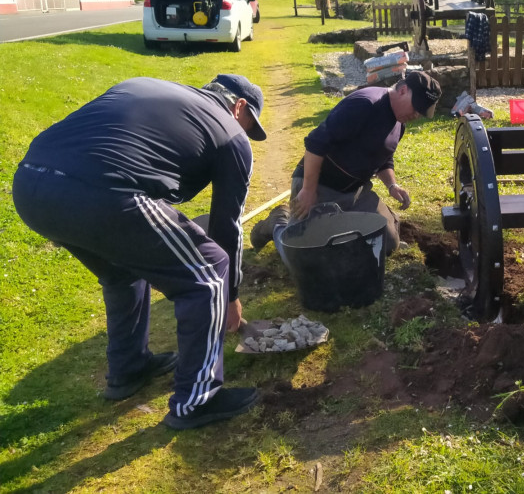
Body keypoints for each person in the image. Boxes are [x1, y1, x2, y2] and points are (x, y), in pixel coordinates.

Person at [12, 74, 266, 431]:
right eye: (249, 123)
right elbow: (227, 225)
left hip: (30, 184)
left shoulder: (146, 85)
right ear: (239, 106)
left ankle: (129, 369)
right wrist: (232, 296)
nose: (246, 133)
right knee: (209, 272)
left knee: (121, 269)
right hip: (103, 191)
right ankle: (198, 399)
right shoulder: (231, 133)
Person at [250, 71, 442, 259]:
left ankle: (339, 229)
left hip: (355, 192)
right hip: (321, 185)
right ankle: (278, 222)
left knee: (389, 242)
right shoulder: (365, 104)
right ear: (402, 91)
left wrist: (392, 185)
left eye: (422, 111)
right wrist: (309, 190)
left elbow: (384, 159)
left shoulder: (399, 124)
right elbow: (315, 144)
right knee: (303, 255)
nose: (417, 114)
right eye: (416, 107)